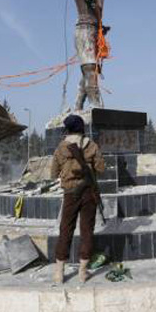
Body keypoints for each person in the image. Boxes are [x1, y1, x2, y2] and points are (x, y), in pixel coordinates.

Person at [50, 114, 105, 284]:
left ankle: (59, 273)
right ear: (82, 128)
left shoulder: (61, 147)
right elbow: (101, 169)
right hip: (89, 192)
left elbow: (53, 173)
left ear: (67, 129)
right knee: (87, 230)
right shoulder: (92, 145)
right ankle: (82, 272)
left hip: (70, 193)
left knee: (65, 229)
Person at [72, 0, 114, 111]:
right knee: (90, 68)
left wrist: (101, 28)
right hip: (84, 29)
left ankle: (77, 106)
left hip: (93, 30)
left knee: (91, 69)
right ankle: (95, 105)